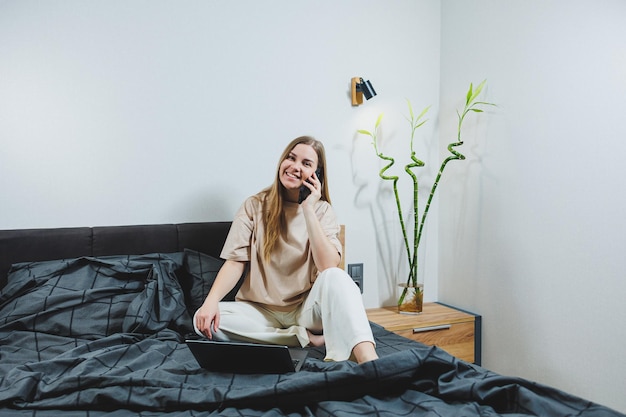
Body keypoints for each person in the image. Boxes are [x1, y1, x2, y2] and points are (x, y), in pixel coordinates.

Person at [194, 136, 378, 364]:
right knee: (201, 322)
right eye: (291, 158)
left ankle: (370, 361)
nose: (295, 166)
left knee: (337, 276)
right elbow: (235, 262)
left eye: (306, 163)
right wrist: (210, 302)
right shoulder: (254, 205)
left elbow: (328, 266)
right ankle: (304, 339)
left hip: (305, 311)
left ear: (317, 174)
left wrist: (308, 208)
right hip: (259, 312)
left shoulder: (322, 211)